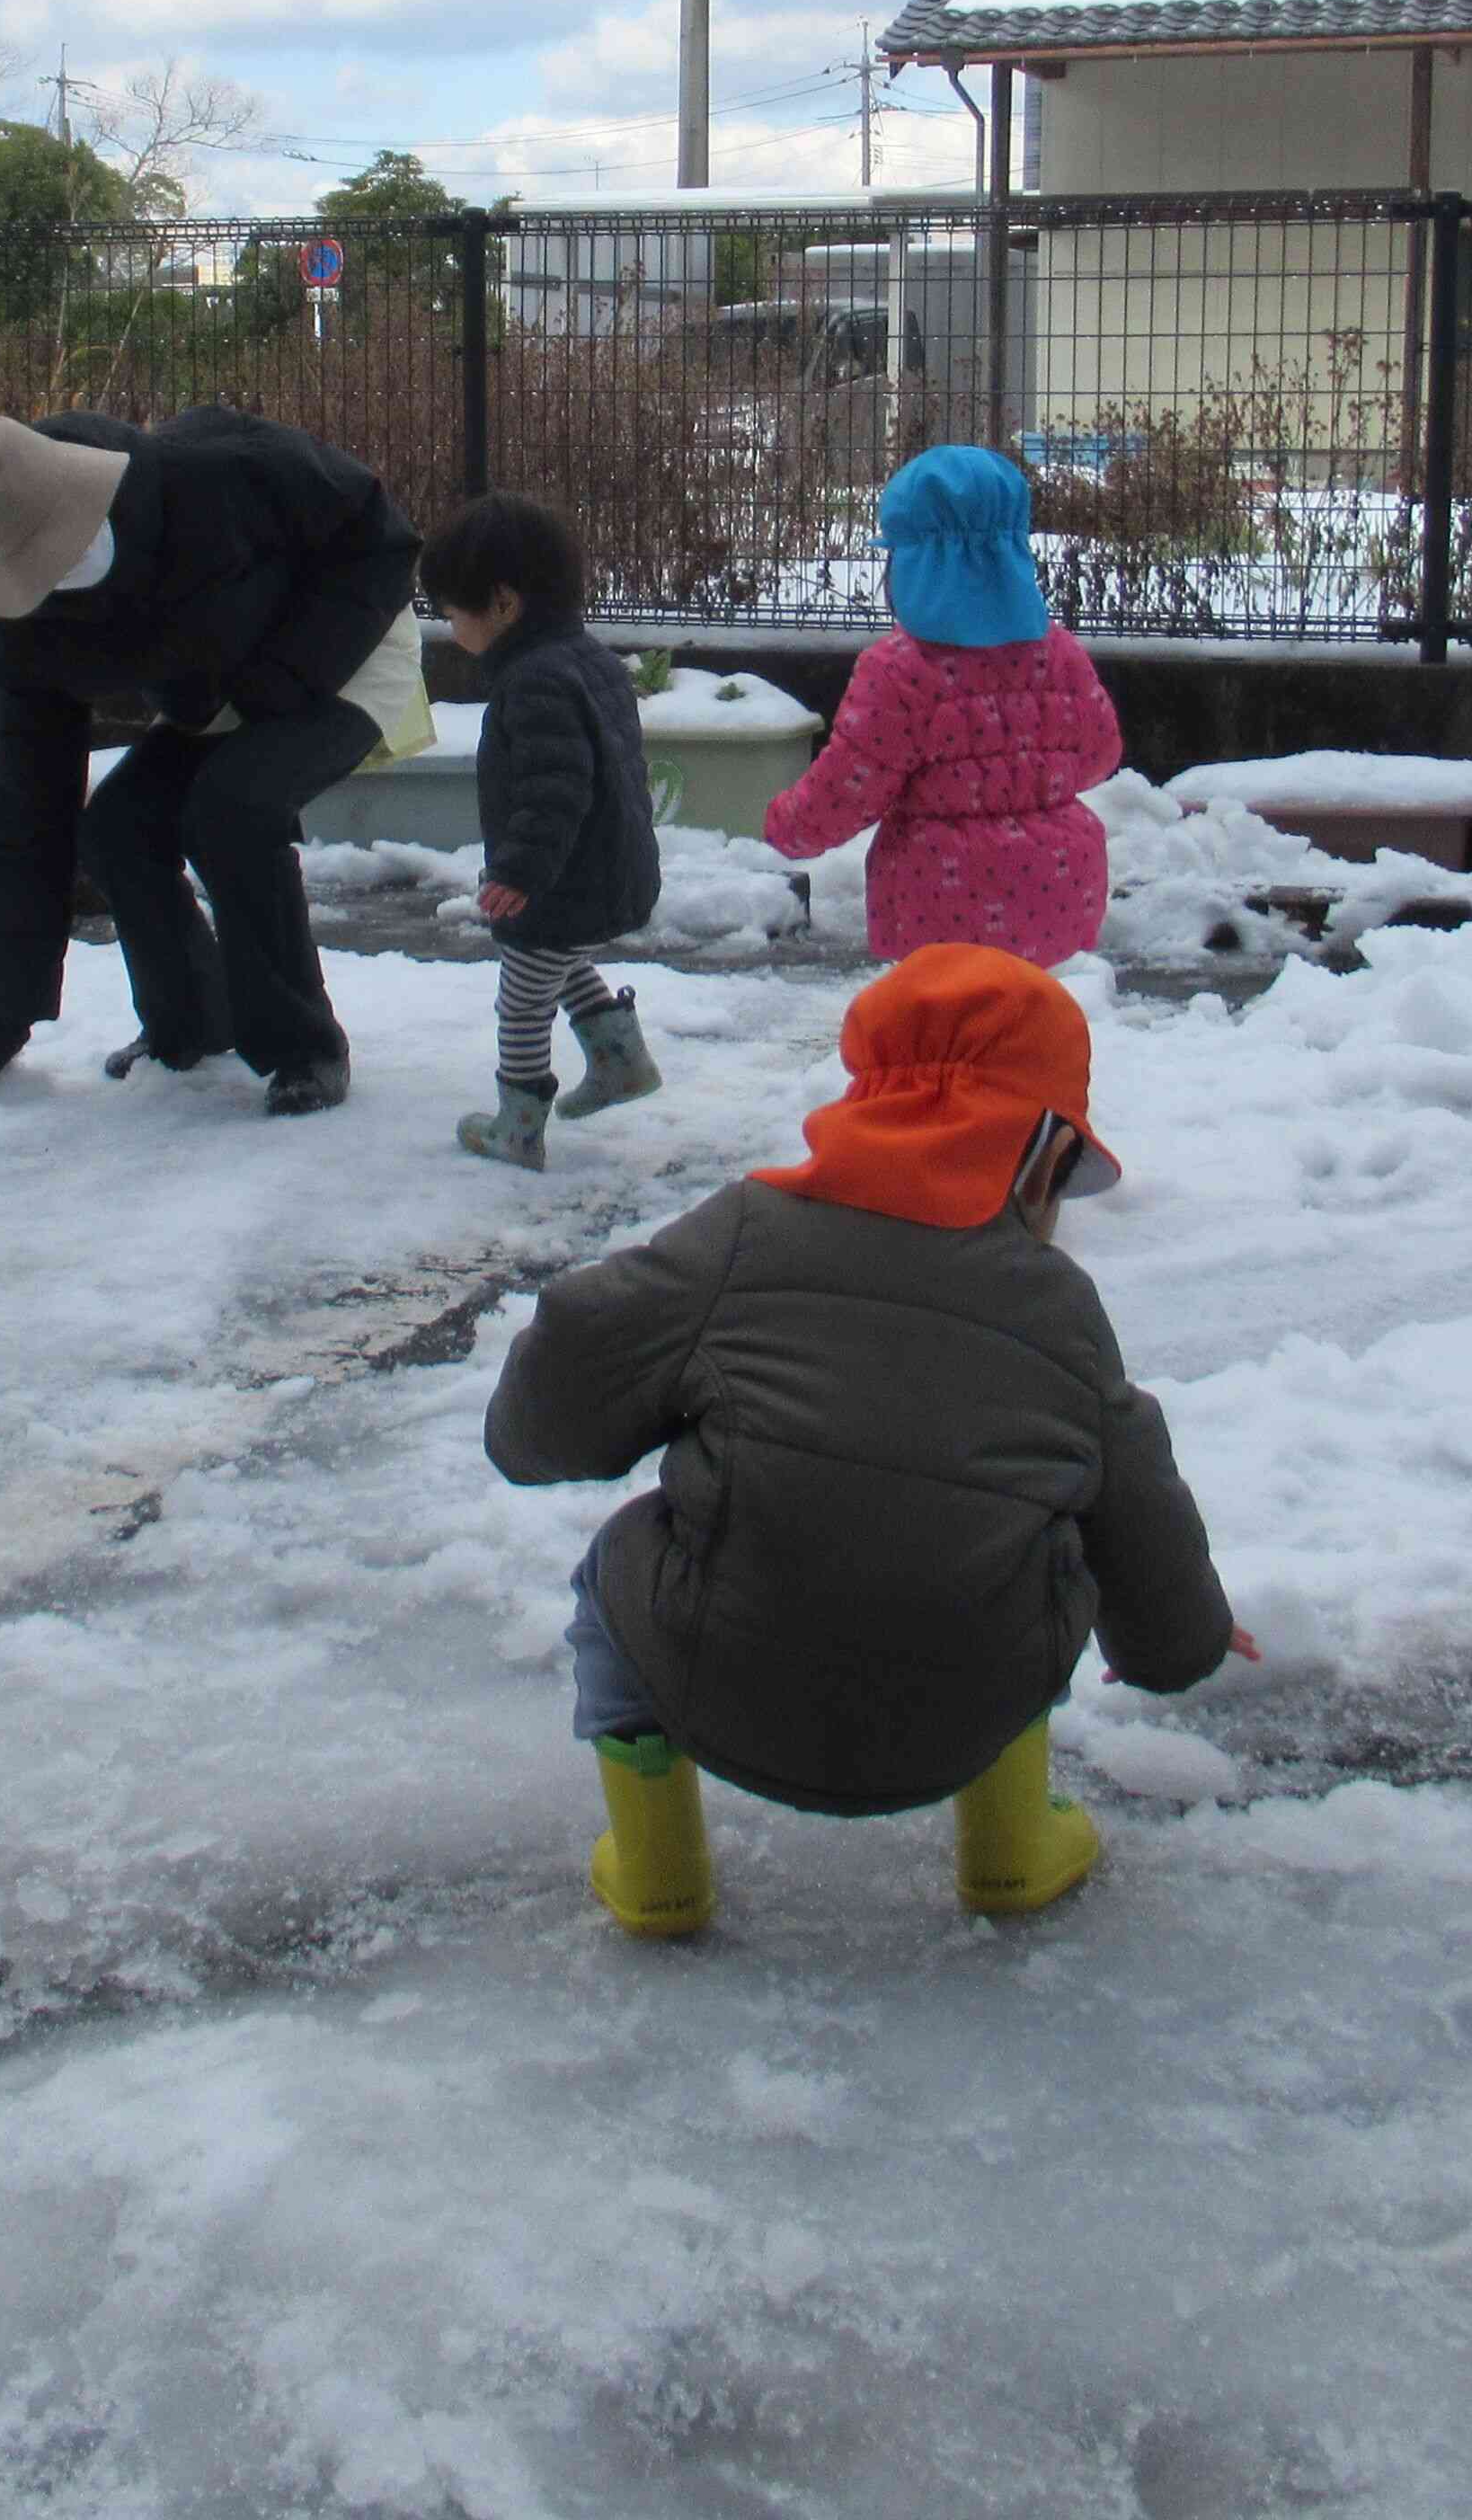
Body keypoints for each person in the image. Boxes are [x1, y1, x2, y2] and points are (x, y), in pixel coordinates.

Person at [482, 945, 1241, 1939]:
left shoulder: (745, 1234)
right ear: (1046, 1148)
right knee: (1037, 1546)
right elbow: (1139, 1515)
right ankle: (1008, 1851)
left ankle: (660, 1871)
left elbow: (562, 1382)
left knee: (615, 1560)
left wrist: (573, 1431)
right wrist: (1182, 1638)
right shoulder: (1059, 1308)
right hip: (963, 1722)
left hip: (719, 1688)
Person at [0, 406, 426, 1116]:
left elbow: (381, 544)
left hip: (349, 649)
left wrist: (278, 684)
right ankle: (188, 1024)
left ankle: (304, 1047)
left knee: (233, 809)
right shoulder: (32, 631)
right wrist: (7, 1010)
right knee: (118, 828)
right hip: (221, 686)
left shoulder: (222, 470)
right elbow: (28, 806)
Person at [761, 445, 1122, 967]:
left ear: (913, 563)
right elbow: (1098, 755)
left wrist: (783, 827)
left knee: (947, 1038)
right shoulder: (1059, 652)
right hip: (1061, 894)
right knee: (1034, 1031)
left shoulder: (901, 670)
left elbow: (848, 790)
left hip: (941, 903)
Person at [418, 493, 665, 1169]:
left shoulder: (535, 682)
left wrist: (520, 872)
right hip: (608, 869)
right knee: (561, 961)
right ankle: (621, 1063)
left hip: (562, 877)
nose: (447, 626)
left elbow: (554, 789)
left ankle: (518, 1129)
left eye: (450, 610)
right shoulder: (589, 660)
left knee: (522, 998)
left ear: (502, 603)